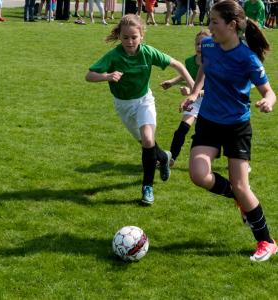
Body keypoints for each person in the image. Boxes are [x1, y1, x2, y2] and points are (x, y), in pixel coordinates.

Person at [181, 0, 277, 262]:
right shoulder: (210, 46)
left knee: (241, 185)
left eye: (214, 22)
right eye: (209, 21)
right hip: (209, 121)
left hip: (236, 126)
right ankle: (239, 198)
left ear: (232, 25)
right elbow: (204, 68)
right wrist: (195, 91)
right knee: (198, 174)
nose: (209, 27)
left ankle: (266, 241)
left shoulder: (248, 58)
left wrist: (267, 101)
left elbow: (269, 91)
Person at [85, 14, 194, 205]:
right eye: (125, 37)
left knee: (148, 139)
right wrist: (107, 76)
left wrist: (194, 89)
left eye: (134, 37)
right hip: (123, 105)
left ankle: (147, 187)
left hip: (144, 101)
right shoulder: (114, 56)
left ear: (141, 36)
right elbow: (89, 75)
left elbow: (177, 64)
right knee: (147, 144)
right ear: (119, 36)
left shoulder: (148, 52)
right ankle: (163, 157)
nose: (130, 41)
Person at [161, 29, 211, 167]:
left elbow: (216, 89)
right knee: (182, 129)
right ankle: (171, 159)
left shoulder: (215, 62)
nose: (199, 47)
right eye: (197, 44)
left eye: (203, 44)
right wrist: (172, 82)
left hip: (212, 101)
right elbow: (186, 75)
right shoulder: (190, 61)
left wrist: (193, 92)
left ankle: (238, 160)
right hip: (196, 99)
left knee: (218, 133)